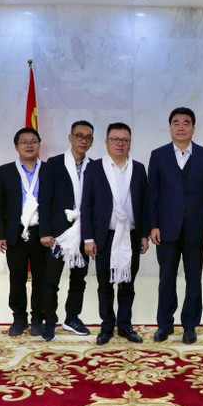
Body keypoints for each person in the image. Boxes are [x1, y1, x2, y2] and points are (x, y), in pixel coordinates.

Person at [148, 107, 203, 344]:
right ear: (169, 128)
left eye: (186, 123)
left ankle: (190, 325)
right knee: (166, 278)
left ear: (193, 128)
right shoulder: (158, 156)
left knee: (193, 279)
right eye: (175, 123)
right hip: (166, 229)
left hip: (196, 229)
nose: (180, 127)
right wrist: (153, 225)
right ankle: (164, 324)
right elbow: (152, 194)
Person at [81, 122, 149, 345]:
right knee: (105, 283)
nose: (120, 144)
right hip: (104, 236)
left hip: (130, 235)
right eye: (115, 139)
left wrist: (144, 235)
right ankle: (107, 325)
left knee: (127, 283)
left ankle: (125, 325)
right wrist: (88, 238)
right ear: (106, 142)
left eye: (124, 140)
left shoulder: (138, 169)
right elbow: (87, 205)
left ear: (130, 143)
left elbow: (144, 205)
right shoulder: (95, 168)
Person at [39, 120, 94, 341]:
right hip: (58, 233)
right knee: (50, 279)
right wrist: (45, 231)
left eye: (88, 137)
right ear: (70, 138)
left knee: (79, 279)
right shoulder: (53, 164)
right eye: (79, 136)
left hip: (84, 231)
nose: (83, 140)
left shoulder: (95, 166)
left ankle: (72, 318)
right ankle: (50, 321)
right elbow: (45, 200)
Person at [0, 127, 47, 337]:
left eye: (33, 141)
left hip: (41, 232)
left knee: (41, 277)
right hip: (15, 232)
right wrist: (0, 235)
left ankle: (37, 318)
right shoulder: (5, 171)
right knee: (16, 276)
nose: (28, 145)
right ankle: (18, 318)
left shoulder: (49, 169)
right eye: (24, 142)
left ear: (39, 145)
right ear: (16, 146)